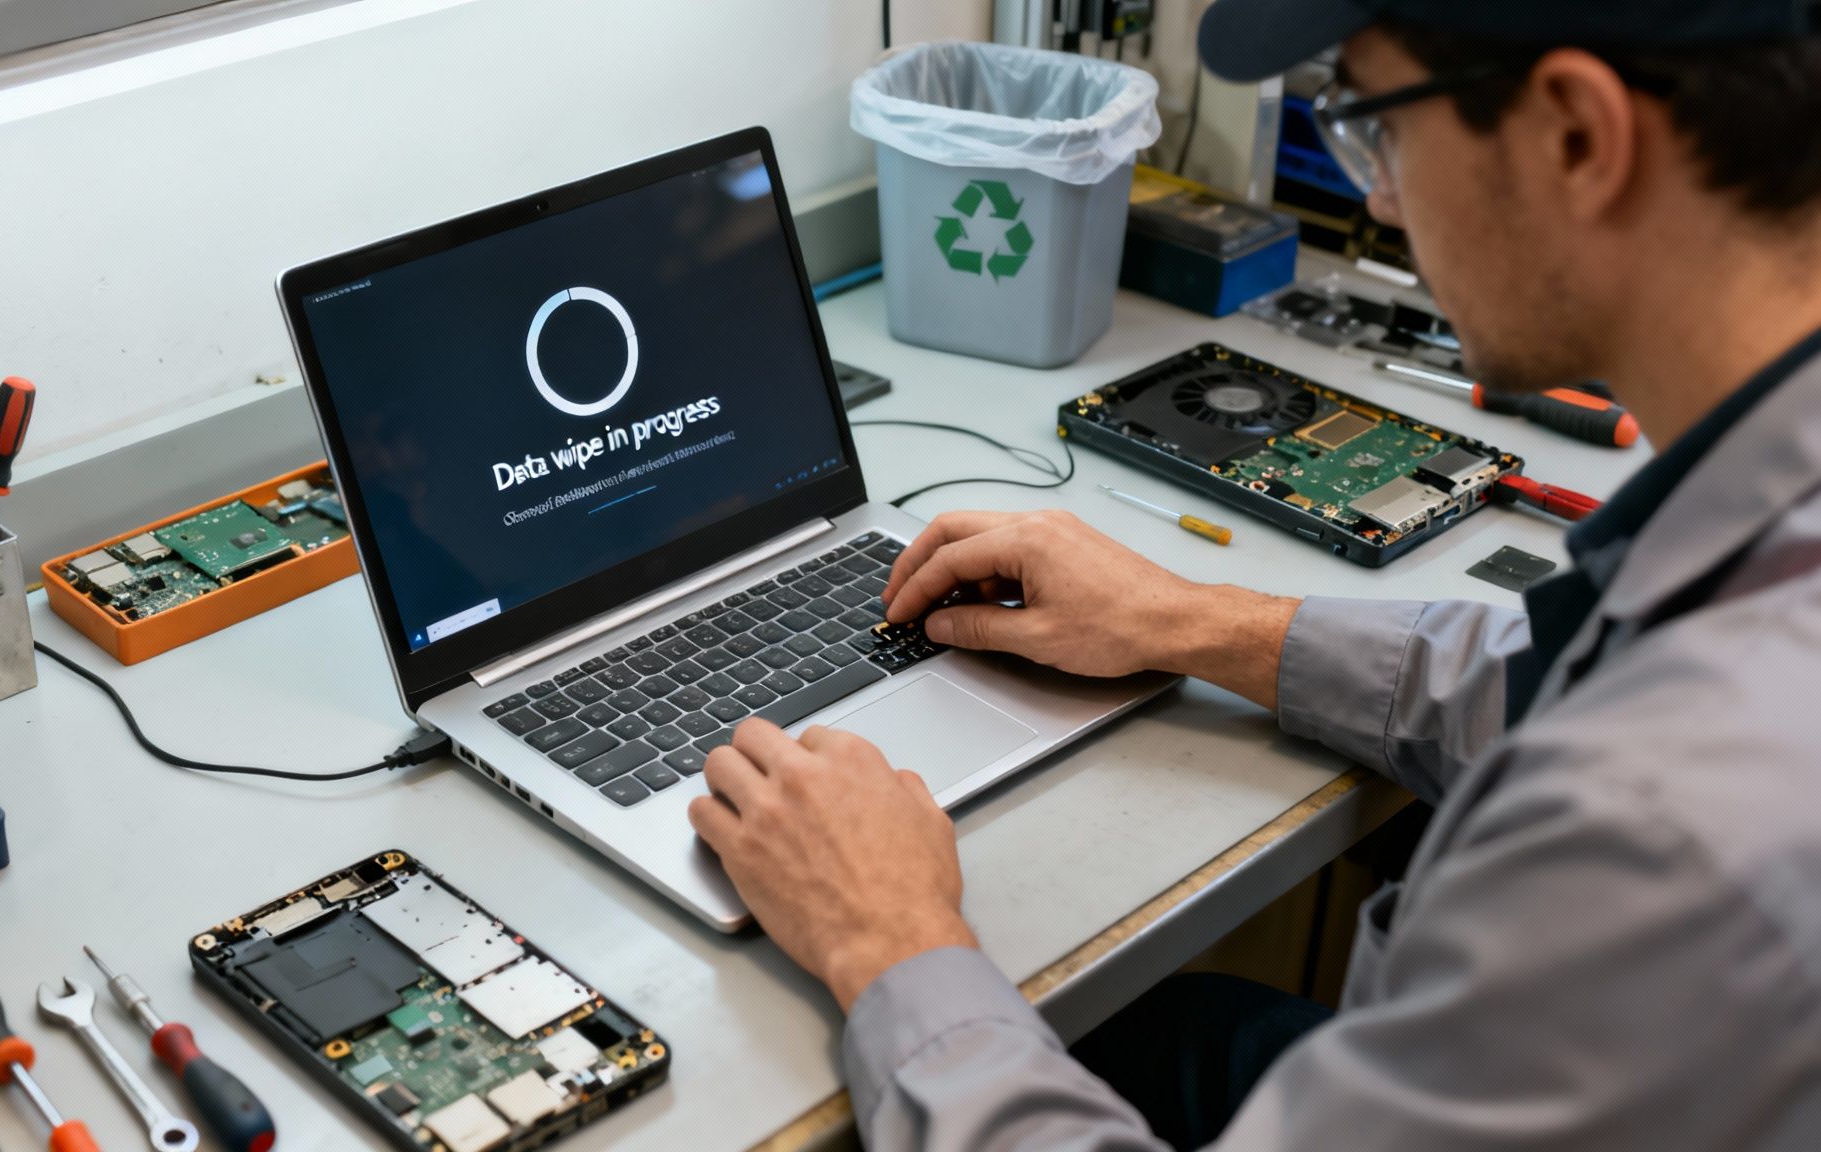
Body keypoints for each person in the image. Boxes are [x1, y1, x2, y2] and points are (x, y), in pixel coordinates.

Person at [686, 1, 1821, 1148]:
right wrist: (1193, 621)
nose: (1377, 198)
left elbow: (1637, 765)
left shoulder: (1664, 836)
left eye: (1376, 125)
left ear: (1576, 136)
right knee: (1165, 1033)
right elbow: (1557, 680)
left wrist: (885, 939)